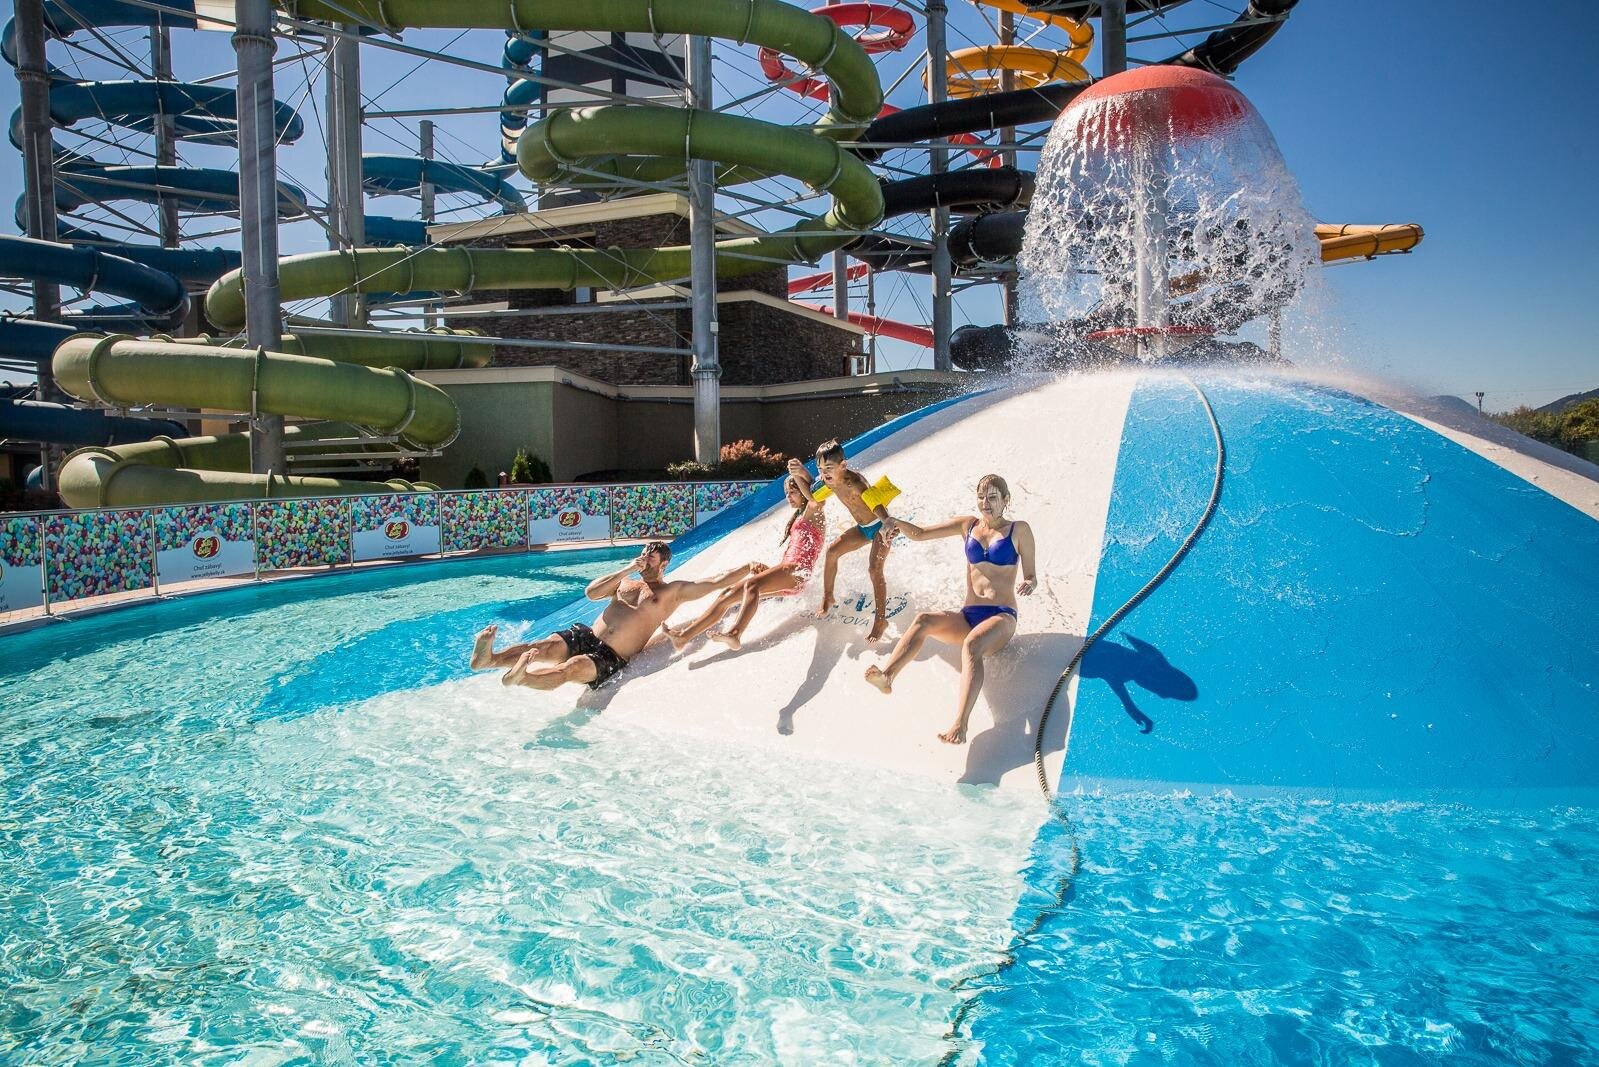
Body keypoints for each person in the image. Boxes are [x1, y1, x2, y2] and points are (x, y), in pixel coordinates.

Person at [864, 474, 1037, 744]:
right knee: (924, 620)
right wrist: (894, 522)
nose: (986, 503)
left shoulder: (1019, 530)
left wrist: (1029, 582)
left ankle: (960, 724)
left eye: (992, 498)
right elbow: (921, 534)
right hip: (968, 616)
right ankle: (887, 677)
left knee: (972, 645)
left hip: (1001, 617)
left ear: (1006, 500)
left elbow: (1031, 575)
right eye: (981, 497)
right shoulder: (967, 525)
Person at [469, 541, 754, 691]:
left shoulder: (672, 591)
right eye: (643, 554)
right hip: (587, 635)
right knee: (542, 646)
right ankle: (489, 659)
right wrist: (627, 569)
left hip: (611, 655)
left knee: (570, 669)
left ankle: (522, 679)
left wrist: (748, 569)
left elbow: (715, 582)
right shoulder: (625, 582)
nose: (644, 558)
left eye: (650, 557)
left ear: (664, 564)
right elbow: (591, 592)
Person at [663, 459, 827, 652]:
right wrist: (769, 571)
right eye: (786, 493)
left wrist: (800, 473)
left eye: (792, 492)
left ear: (803, 492)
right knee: (727, 595)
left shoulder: (815, 511)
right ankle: (683, 637)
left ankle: (735, 634)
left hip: (796, 572)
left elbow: (817, 493)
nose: (788, 497)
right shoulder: (801, 515)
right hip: (788, 573)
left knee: (752, 585)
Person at [812, 439, 901, 641]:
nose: (824, 473)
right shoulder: (830, 482)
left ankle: (881, 620)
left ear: (843, 465)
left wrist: (887, 521)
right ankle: (828, 596)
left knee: (874, 570)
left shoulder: (855, 482)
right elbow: (812, 495)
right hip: (862, 529)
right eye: (820, 468)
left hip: (880, 528)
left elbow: (875, 503)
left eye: (828, 467)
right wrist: (800, 473)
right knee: (832, 552)